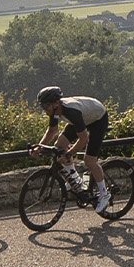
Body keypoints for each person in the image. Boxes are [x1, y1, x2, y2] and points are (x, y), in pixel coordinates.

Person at [31, 86, 111, 214]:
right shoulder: (55, 111)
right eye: (43, 106)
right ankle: (76, 180)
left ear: (56, 103)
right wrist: (39, 147)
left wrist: (69, 154)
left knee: (89, 161)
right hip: (84, 118)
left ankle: (104, 194)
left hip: (98, 119)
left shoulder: (71, 112)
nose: (44, 110)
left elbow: (84, 139)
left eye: (46, 106)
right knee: (59, 147)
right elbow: (52, 131)